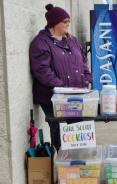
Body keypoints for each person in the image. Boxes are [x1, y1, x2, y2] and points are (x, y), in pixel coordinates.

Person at [29, 4, 92, 148]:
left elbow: (83, 59)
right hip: (52, 96)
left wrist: (87, 77)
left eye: (68, 20)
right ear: (53, 23)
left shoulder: (71, 39)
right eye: (64, 21)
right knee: (61, 131)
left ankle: (76, 162)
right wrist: (62, 88)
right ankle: (64, 163)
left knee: (77, 130)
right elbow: (42, 70)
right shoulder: (41, 42)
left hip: (75, 94)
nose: (68, 24)